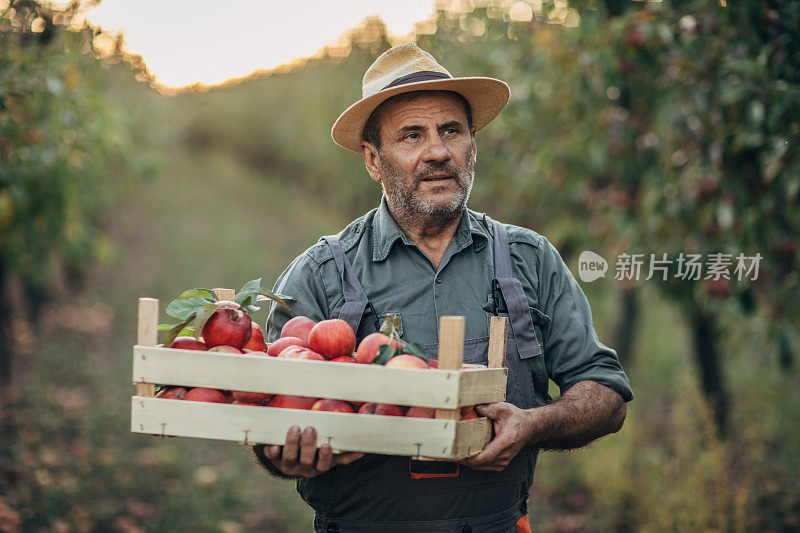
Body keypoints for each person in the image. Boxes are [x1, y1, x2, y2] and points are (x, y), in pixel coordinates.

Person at [251, 43, 633, 533]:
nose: (437, 151)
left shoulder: (528, 260)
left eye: (450, 130)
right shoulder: (322, 273)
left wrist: (532, 424)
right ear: (373, 159)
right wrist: (286, 455)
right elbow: (264, 424)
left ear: (472, 143)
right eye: (411, 135)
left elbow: (605, 392)